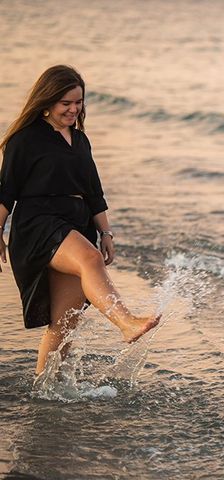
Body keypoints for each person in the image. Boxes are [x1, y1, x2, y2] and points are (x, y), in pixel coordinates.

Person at [0, 65, 160, 376]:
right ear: (47, 102)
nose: (74, 109)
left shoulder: (80, 140)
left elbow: (93, 192)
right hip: (39, 224)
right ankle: (126, 323)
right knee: (89, 259)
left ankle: (44, 387)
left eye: (79, 102)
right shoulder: (25, 140)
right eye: (66, 103)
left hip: (76, 223)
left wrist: (106, 233)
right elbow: (6, 192)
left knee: (65, 322)